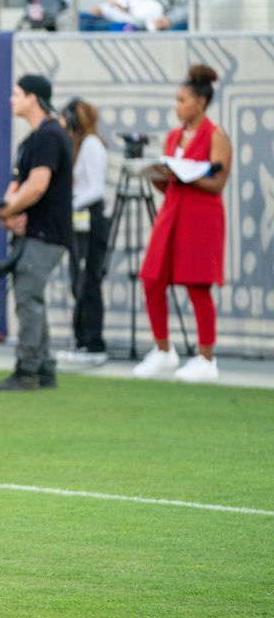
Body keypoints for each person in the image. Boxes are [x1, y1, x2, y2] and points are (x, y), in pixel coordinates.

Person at [133, 65, 232, 382]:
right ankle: (163, 351)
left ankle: (206, 357)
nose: (178, 107)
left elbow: (217, 183)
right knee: (152, 279)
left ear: (200, 102)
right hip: (172, 212)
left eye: (182, 100)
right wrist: (160, 176)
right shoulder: (173, 137)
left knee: (197, 285)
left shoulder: (216, 135)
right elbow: (170, 181)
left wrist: (186, 173)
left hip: (201, 216)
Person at [0, 75, 74, 391]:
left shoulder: (50, 136)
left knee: (28, 300)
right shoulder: (33, 139)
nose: (11, 99)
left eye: (17, 93)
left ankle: (27, 371)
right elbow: (19, 188)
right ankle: (44, 368)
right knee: (31, 299)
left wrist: (7, 211)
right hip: (35, 232)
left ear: (33, 98)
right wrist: (9, 215)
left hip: (45, 233)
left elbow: (37, 186)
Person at [57, 99, 109, 367]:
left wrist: (70, 203)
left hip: (91, 219)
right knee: (79, 280)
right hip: (79, 220)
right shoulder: (79, 146)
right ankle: (82, 339)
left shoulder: (91, 145)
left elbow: (96, 189)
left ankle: (93, 341)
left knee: (89, 281)